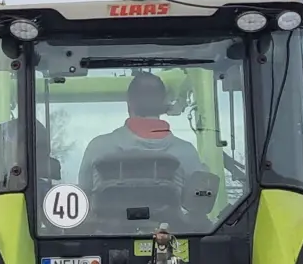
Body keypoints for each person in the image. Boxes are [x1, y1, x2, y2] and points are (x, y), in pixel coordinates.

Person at [74, 72, 209, 191]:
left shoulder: (98, 148)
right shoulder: (187, 153)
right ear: (164, 103)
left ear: (129, 103)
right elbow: (198, 206)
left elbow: (84, 199)